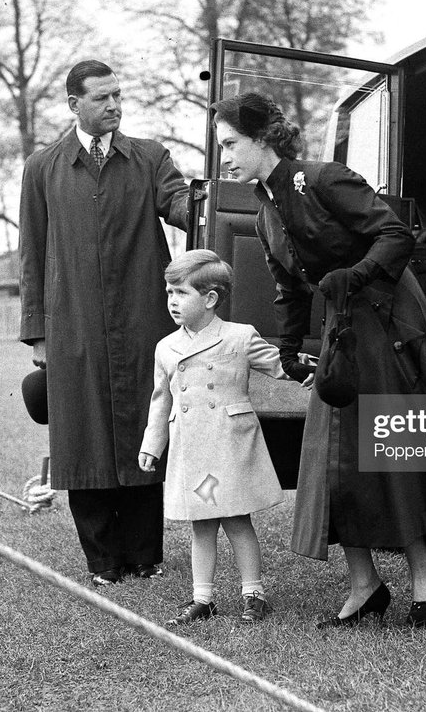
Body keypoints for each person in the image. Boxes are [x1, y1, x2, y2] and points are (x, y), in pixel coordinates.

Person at [210, 92, 426, 628]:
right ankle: (364, 583)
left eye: (230, 143)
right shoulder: (266, 204)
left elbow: (395, 235)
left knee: (390, 451)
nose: (223, 155)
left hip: (388, 319)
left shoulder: (324, 178)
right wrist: (292, 348)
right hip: (342, 331)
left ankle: (424, 570)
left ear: (261, 139)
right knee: (335, 461)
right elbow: (286, 286)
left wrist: (356, 276)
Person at [19, 59, 191, 586]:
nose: (114, 105)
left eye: (118, 95)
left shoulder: (149, 158)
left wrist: (210, 200)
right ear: (74, 105)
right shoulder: (43, 167)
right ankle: (102, 561)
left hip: (142, 320)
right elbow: (32, 252)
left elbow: (181, 204)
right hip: (74, 325)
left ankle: (145, 555)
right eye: (102, 98)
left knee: (146, 426)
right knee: (84, 436)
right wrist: (39, 333)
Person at [138, 249, 296, 626]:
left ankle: (253, 593)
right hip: (192, 447)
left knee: (237, 519)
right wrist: (151, 444)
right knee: (201, 521)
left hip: (229, 443)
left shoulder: (239, 337)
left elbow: (281, 366)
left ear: (210, 299)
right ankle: (202, 598)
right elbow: (162, 400)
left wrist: (324, 370)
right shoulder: (166, 346)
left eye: (181, 293)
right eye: (169, 292)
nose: (172, 302)